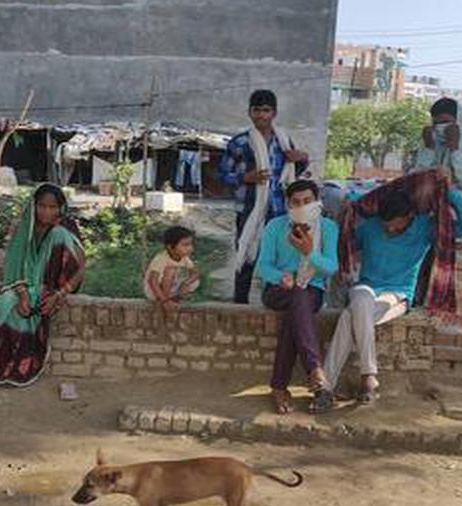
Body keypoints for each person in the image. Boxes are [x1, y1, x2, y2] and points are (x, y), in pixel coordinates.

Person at [323, 175, 462, 404]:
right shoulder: (371, 226)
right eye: (386, 225)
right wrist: (347, 208)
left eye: (396, 224)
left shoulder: (425, 227)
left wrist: (447, 190)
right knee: (361, 299)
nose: (391, 229)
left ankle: (325, 387)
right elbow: (344, 240)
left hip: (398, 296)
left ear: (410, 216)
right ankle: (369, 376)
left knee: (349, 316)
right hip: (365, 288)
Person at [0, 184, 84, 386]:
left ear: (60, 208)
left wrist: (60, 294)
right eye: (42, 206)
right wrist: (22, 293)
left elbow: (80, 269)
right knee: (6, 302)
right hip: (23, 285)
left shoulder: (63, 230)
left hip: (50, 288)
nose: (47, 211)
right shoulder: (25, 228)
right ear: (34, 205)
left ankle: (22, 367)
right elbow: (14, 264)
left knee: (25, 312)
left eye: (53, 207)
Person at [256, 180, 338, 415]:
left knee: (297, 306)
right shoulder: (275, 226)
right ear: (287, 204)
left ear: (317, 201)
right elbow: (263, 266)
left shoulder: (329, 228)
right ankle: (315, 371)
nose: (301, 206)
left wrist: (309, 252)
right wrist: (281, 276)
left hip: (312, 289)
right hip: (277, 290)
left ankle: (279, 386)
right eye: (295, 202)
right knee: (296, 298)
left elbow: (331, 268)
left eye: (307, 201)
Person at [219, 89, 309, 304]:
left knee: (276, 258)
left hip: (279, 211)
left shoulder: (284, 142)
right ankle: (240, 305)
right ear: (250, 113)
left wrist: (303, 159)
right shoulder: (239, 143)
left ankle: (272, 302)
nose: (261, 115)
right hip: (249, 211)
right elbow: (222, 175)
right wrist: (245, 177)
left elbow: (294, 174)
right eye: (256, 110)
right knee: (247, 256)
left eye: (266, 110)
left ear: (274, 113)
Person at [413, 98, 462, 207]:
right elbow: (417, 177)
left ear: (458, 120)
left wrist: (454, 149)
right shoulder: (431, 139)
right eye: (436, 123)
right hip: (428, 209)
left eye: (445, 122)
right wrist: (429, 149)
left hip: (458, 212)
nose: (440, 127)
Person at [144, 225, 201, 313]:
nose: (190, 248)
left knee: (195, 282)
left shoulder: (184, 258)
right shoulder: (161, 258)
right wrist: (165, 301)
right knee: (171, 271)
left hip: (169, 287)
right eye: (185, 245)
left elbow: (196, 273)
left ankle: (173, 299)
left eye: (190, 244)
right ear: (170, 247)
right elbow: (152, 281)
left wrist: (186, 283)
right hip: (154, 291)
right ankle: (166, 302)